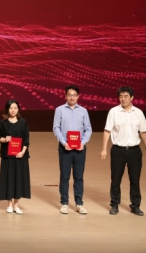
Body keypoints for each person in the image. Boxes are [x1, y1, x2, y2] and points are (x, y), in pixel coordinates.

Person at [100, 86, 146, 216]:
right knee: (115, 179)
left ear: (132, 98)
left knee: (135, 180)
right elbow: (107, 131)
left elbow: (143, 131)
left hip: (135, 151)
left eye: (126, 96)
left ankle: (135, 206)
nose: (123, 99)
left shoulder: (138, 113)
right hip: (118, 150)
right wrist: (104, 149)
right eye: (121, 96)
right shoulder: (113, 112)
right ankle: (114, 205)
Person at [52, 84, 93, 215]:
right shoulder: (59, 110)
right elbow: (56, 128)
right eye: (69, 95)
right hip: (65, 148)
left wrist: (83, 142)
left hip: (80, 148)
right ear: (65, 96)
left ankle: (79, 204)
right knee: (65, 176)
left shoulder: (83, 111)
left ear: (78, 96)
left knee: (79, 177)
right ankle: (64, 203)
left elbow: (88, 129)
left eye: (74, 95)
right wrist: (64, 143)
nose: (72, 97)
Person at [0, 99, 31, 214]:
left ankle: (16, 205)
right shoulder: (3, 122)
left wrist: (23, 152)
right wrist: (5, 139)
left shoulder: (23, 122)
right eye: (11, 108)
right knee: (9, 179)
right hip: (7, 156)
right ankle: (9, 204)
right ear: (7, 109)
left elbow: (26, 139)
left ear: (18, 109)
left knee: (19, 179)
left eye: (15, 108)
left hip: (20, 156)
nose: (13, 110)